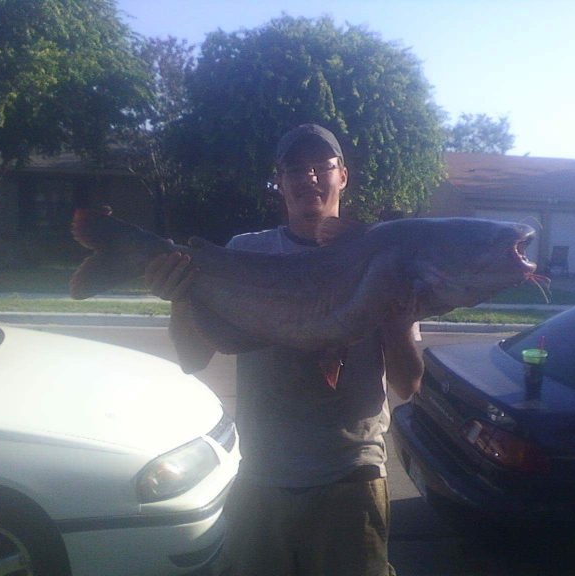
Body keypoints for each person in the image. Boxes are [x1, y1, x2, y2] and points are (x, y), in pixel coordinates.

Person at [145, 124, 422, 576]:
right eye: (295, 168)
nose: (308, 176)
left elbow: (408, 385)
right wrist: (180, 299)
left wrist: (399, 316)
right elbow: (193, 359)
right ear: (279, 181)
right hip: (262, 476)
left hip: (352, 477)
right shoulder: (244, 254)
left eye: (320, 166)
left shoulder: (381, 257)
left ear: (343, 176)